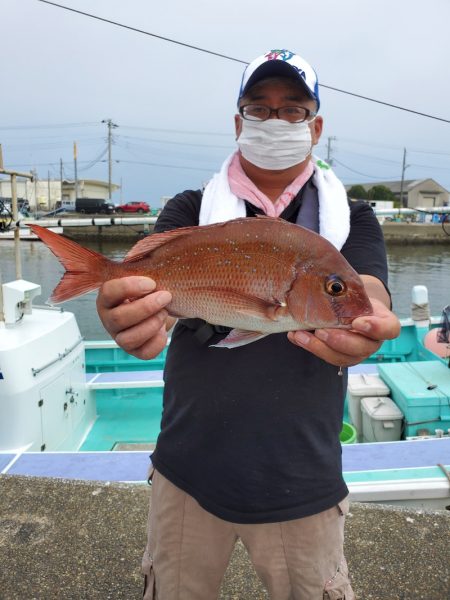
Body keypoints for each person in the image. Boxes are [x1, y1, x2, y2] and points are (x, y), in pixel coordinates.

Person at [97, 49, 400, 600]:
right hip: (186, 468)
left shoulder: (352, 218)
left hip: (303, 476)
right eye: (259, 109)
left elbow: (368, 289)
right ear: (239, 124)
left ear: (316, 127)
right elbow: (148, 291)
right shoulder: (190, 209)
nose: (275, 121)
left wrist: (366, 316)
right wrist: (125, 310)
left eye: (293, 110)